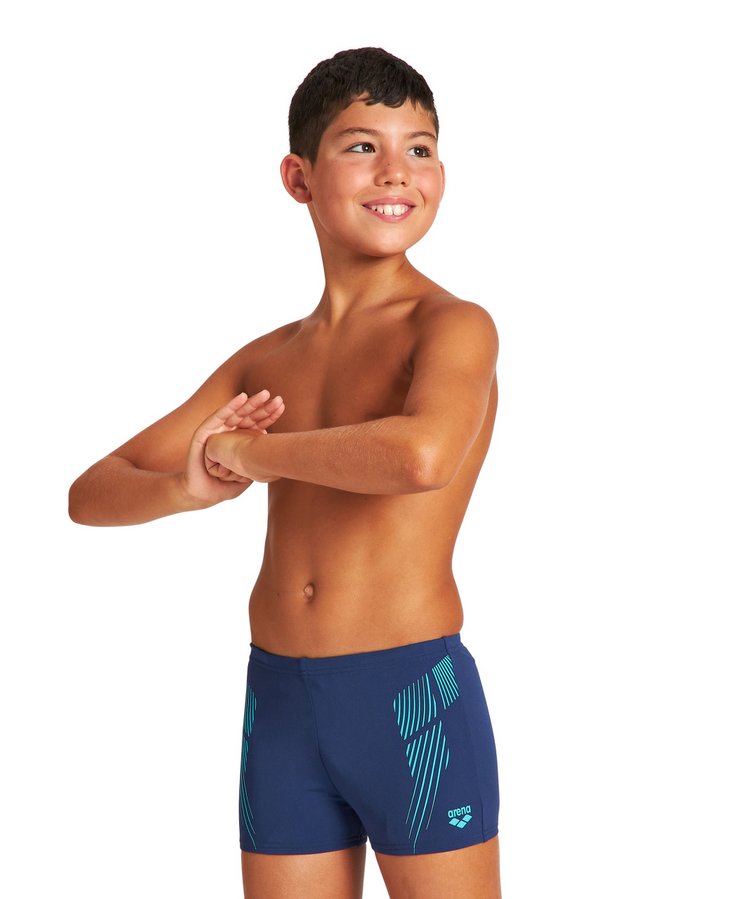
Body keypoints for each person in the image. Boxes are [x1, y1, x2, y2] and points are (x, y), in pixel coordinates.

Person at [69, 47, 502, 899]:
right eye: (362, 146)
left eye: (419, 148)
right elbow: (91, 492)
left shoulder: (451, 325)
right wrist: (185, 486)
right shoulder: (267, 360)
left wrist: (252, 453)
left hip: (408, 691)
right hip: (279, 700)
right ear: (299, 177)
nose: (396, 170)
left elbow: (421, 455)